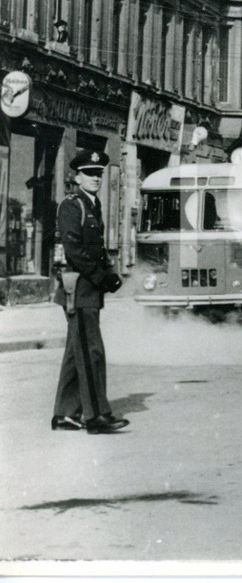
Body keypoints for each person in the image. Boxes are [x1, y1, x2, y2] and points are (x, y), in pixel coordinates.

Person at [51, 149, 129, 434]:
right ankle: (95, 415)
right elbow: (75, 250)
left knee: (77, 351)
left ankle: (64, 414)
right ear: (76, 176)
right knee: (91, 351)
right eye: (89, 173)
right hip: (79, 291)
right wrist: (101, 278)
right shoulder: (72, 206)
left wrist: (109, 274)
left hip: (88, 290)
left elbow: (95, 251)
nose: (95, 178)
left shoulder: (92, 205)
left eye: (98, 173)